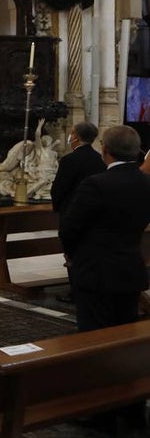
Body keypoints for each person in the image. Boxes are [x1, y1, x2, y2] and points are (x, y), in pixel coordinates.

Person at [59, 125, 150, 333]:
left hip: (96, 272)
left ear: (105, 150)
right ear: (137, 151)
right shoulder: (146, 183)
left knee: (94, 333)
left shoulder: (96, 184)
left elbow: (69, 228)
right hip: (130, 269)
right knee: (124, 334)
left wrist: (74, 256)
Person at [51, 121, 106, 303]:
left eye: (72, 133)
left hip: (72, 212)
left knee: (72, 253)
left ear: (75, 137)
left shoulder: (69, 160)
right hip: (95, 214)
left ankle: (76, 291)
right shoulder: (100, 159)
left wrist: (58, 208)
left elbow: (59, 189)